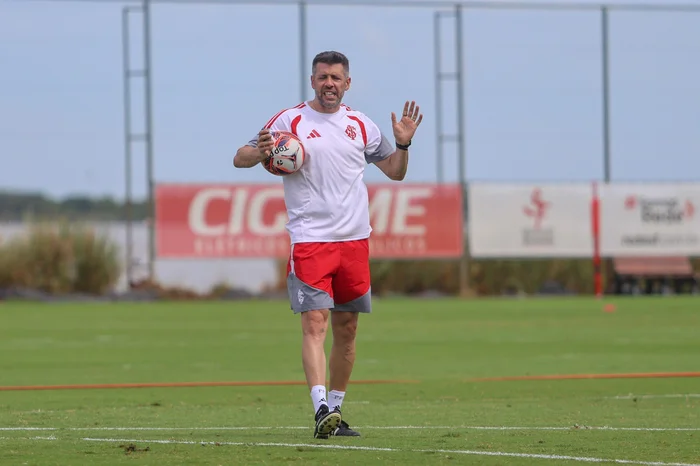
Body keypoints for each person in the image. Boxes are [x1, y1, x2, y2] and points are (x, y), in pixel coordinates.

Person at [233, 50, 423, 439]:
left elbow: (395, 172)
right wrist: (260, 151)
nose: (329, 84)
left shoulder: (361, 124)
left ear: (347, 83)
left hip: (355, 241)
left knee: (347, 329)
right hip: (311, 240)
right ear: (312, 81)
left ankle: (335, 410)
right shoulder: (289, 121)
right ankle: (319, 407)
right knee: (315, 323)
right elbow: (240, 157)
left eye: (336, 78)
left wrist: (403, 146)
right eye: (322, 77)